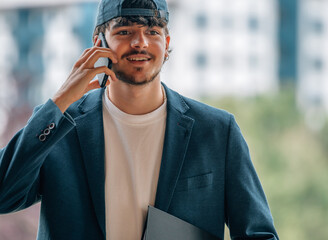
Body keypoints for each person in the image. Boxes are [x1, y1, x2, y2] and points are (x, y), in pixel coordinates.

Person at [0, 0, 279, 239]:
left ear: (166, 43)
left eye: (152, 31)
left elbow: (259, 234)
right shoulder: (60, 128)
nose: (140, 42)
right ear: (99, 44)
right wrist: (59, 102)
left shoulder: (217, 131)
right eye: (124, 31)